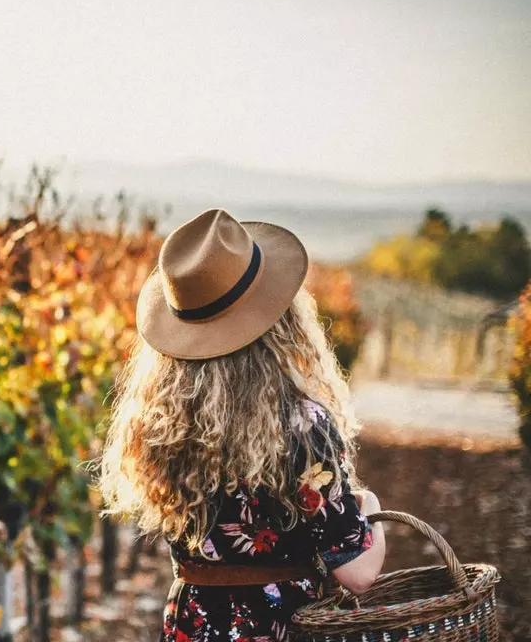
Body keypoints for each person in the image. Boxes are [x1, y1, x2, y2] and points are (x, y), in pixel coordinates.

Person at [96, 209, 387, 641]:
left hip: (193, 625)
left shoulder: (160, 424)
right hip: (281, 627)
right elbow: (358, 573)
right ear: (282, 323)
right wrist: (369, 509)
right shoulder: (303, 426)